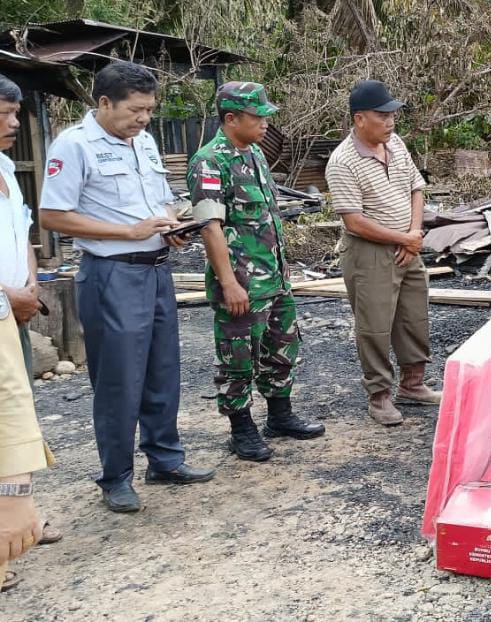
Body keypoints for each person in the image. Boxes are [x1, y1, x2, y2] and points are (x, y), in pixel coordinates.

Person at [40, 61, 214, 513]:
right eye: (136, 110)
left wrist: (171, 227)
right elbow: (53, 216)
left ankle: (165, 459)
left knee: (162, 370)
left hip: (156, 270)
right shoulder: (74, 146)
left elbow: (154, 205)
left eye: (150, 110)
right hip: (111, 274)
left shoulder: (145, 143)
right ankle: (115, 477)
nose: (144, 119)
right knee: (119, 380)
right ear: (103, 103)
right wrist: (130, 233)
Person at [189, 82, 323, 461]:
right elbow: (210, 227)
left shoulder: (255, 156)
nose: (265, 123)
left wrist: (283, 273)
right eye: (257, 116)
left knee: (282, 347)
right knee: (238, 357)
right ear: (231, 119)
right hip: (242, 284)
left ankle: (280, 415)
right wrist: (229, 283)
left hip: (274, 277)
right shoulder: (210, 161)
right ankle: (240, 428)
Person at [325, 80, 439, 426]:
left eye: (393, 114)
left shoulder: (396, 144)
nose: (390, 122)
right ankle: (379, 396)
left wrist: (413, 234)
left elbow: (417, 188)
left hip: (407, 244)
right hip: (370, 253)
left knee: (413, 315)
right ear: (360, 119)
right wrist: (402, 239)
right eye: (382, 115)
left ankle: (413, 384)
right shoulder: (343, 161)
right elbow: (354, 221)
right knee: (374, 325)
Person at [0, 71, 53, 593]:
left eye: (16, 113)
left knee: (18, 415)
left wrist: (30, 286)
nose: (15, 122)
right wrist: (8, 295)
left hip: (12, 311)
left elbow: (23, 232)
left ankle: (19, 516)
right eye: (5, 113)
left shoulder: (4, 168)